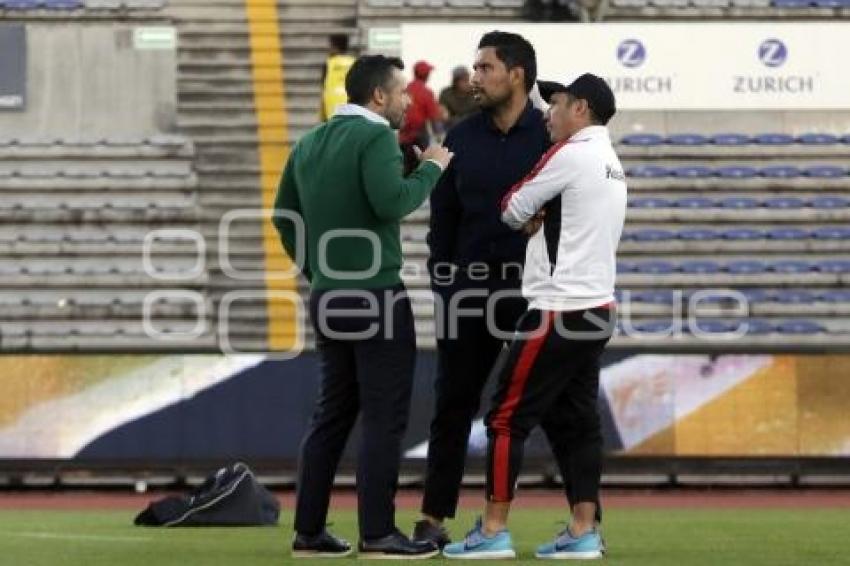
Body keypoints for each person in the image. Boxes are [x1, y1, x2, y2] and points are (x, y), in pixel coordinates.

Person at [273, 54, 453, 559]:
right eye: (400, 93)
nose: (405, 102)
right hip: (376, 293)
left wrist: (318, 271)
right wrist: (432, 170)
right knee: (383, 417)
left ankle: (309, 532)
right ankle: (378, 532)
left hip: (328, 295)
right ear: (378, 96)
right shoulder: (376, 138)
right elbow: (391, 202)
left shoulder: (309, 142)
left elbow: (284, 218)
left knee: (331, 415)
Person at [442, 73, 625, 560]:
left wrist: (529, 215)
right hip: (597, 307)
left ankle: (494, 530)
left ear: (581, 109)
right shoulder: (610, 160)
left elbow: (510, 205)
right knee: (579, 422)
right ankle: (584, 530)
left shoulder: (570, 153)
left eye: (558, 103)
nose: (548, 112)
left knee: (504, 418)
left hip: (558, 309)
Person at [412, 31, 550, 548]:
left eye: (485, 67)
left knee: (557, 410)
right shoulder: (458, 139)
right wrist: (443, 285)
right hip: (468, 293)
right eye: (475, 67)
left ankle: (584, 524)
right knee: (453, 404)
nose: (476, 77)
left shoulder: (551, 135)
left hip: (536, 292)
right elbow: (441, 223)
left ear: (516, 74)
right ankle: (433, 517)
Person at [399, 60, 444, 175]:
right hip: (419, 136)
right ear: (426, 75)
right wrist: (439, 136)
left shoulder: (405, 89)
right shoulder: (426, 92)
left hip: (403, 136)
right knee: (419, 168)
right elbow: (434, 116)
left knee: (404, 168)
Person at [319, 34, 355, 122]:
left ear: (335, 47)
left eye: (330, 46)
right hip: (352, 109)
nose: (328, 49)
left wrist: (322, 116)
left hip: (332, 108)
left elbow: (323, 88)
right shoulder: (354, 62)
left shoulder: (329, 63)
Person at [438, 66, 477, 131]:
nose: (467, 83)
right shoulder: (446, 93)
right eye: (464, 81)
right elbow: (444, 115)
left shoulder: (475, 93)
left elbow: (479, 114)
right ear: (455, 82)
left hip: (472, 125)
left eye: (468, 80)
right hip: (452, 125)